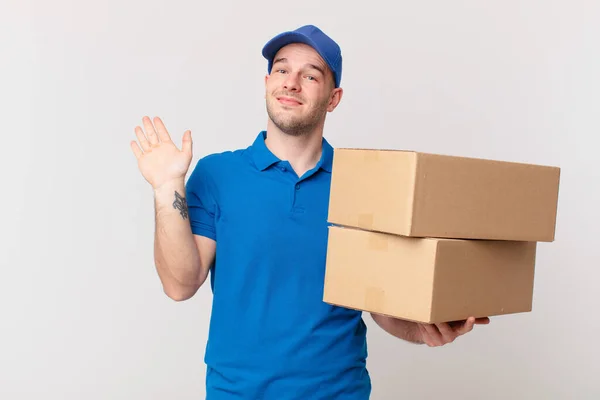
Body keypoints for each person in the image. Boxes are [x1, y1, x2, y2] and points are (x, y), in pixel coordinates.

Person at [130, 24, 489, 399]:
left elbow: (379, 302)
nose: (291, 83)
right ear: (268, 81)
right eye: (282, 70)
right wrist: (167, 186)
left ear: (334, 98)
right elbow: (179, 284)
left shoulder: (365, 185)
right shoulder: (218, 175)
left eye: (310, 75)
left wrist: (422, 328)